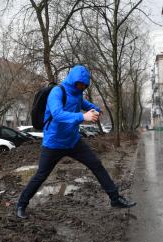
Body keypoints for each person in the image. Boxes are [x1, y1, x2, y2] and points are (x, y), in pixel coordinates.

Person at [16, 65, 136, 219]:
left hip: (73, 142)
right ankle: (21, 204)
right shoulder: (57, 92)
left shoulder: (78, 95)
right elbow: (58, 114)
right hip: (54, 143)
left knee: (96, 165)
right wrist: (83, 117)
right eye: (79, 84)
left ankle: (115, 198)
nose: (81, 87)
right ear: (73, 80)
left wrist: (96, 109)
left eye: (84, 85)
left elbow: (87, 106)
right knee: (41, 175)